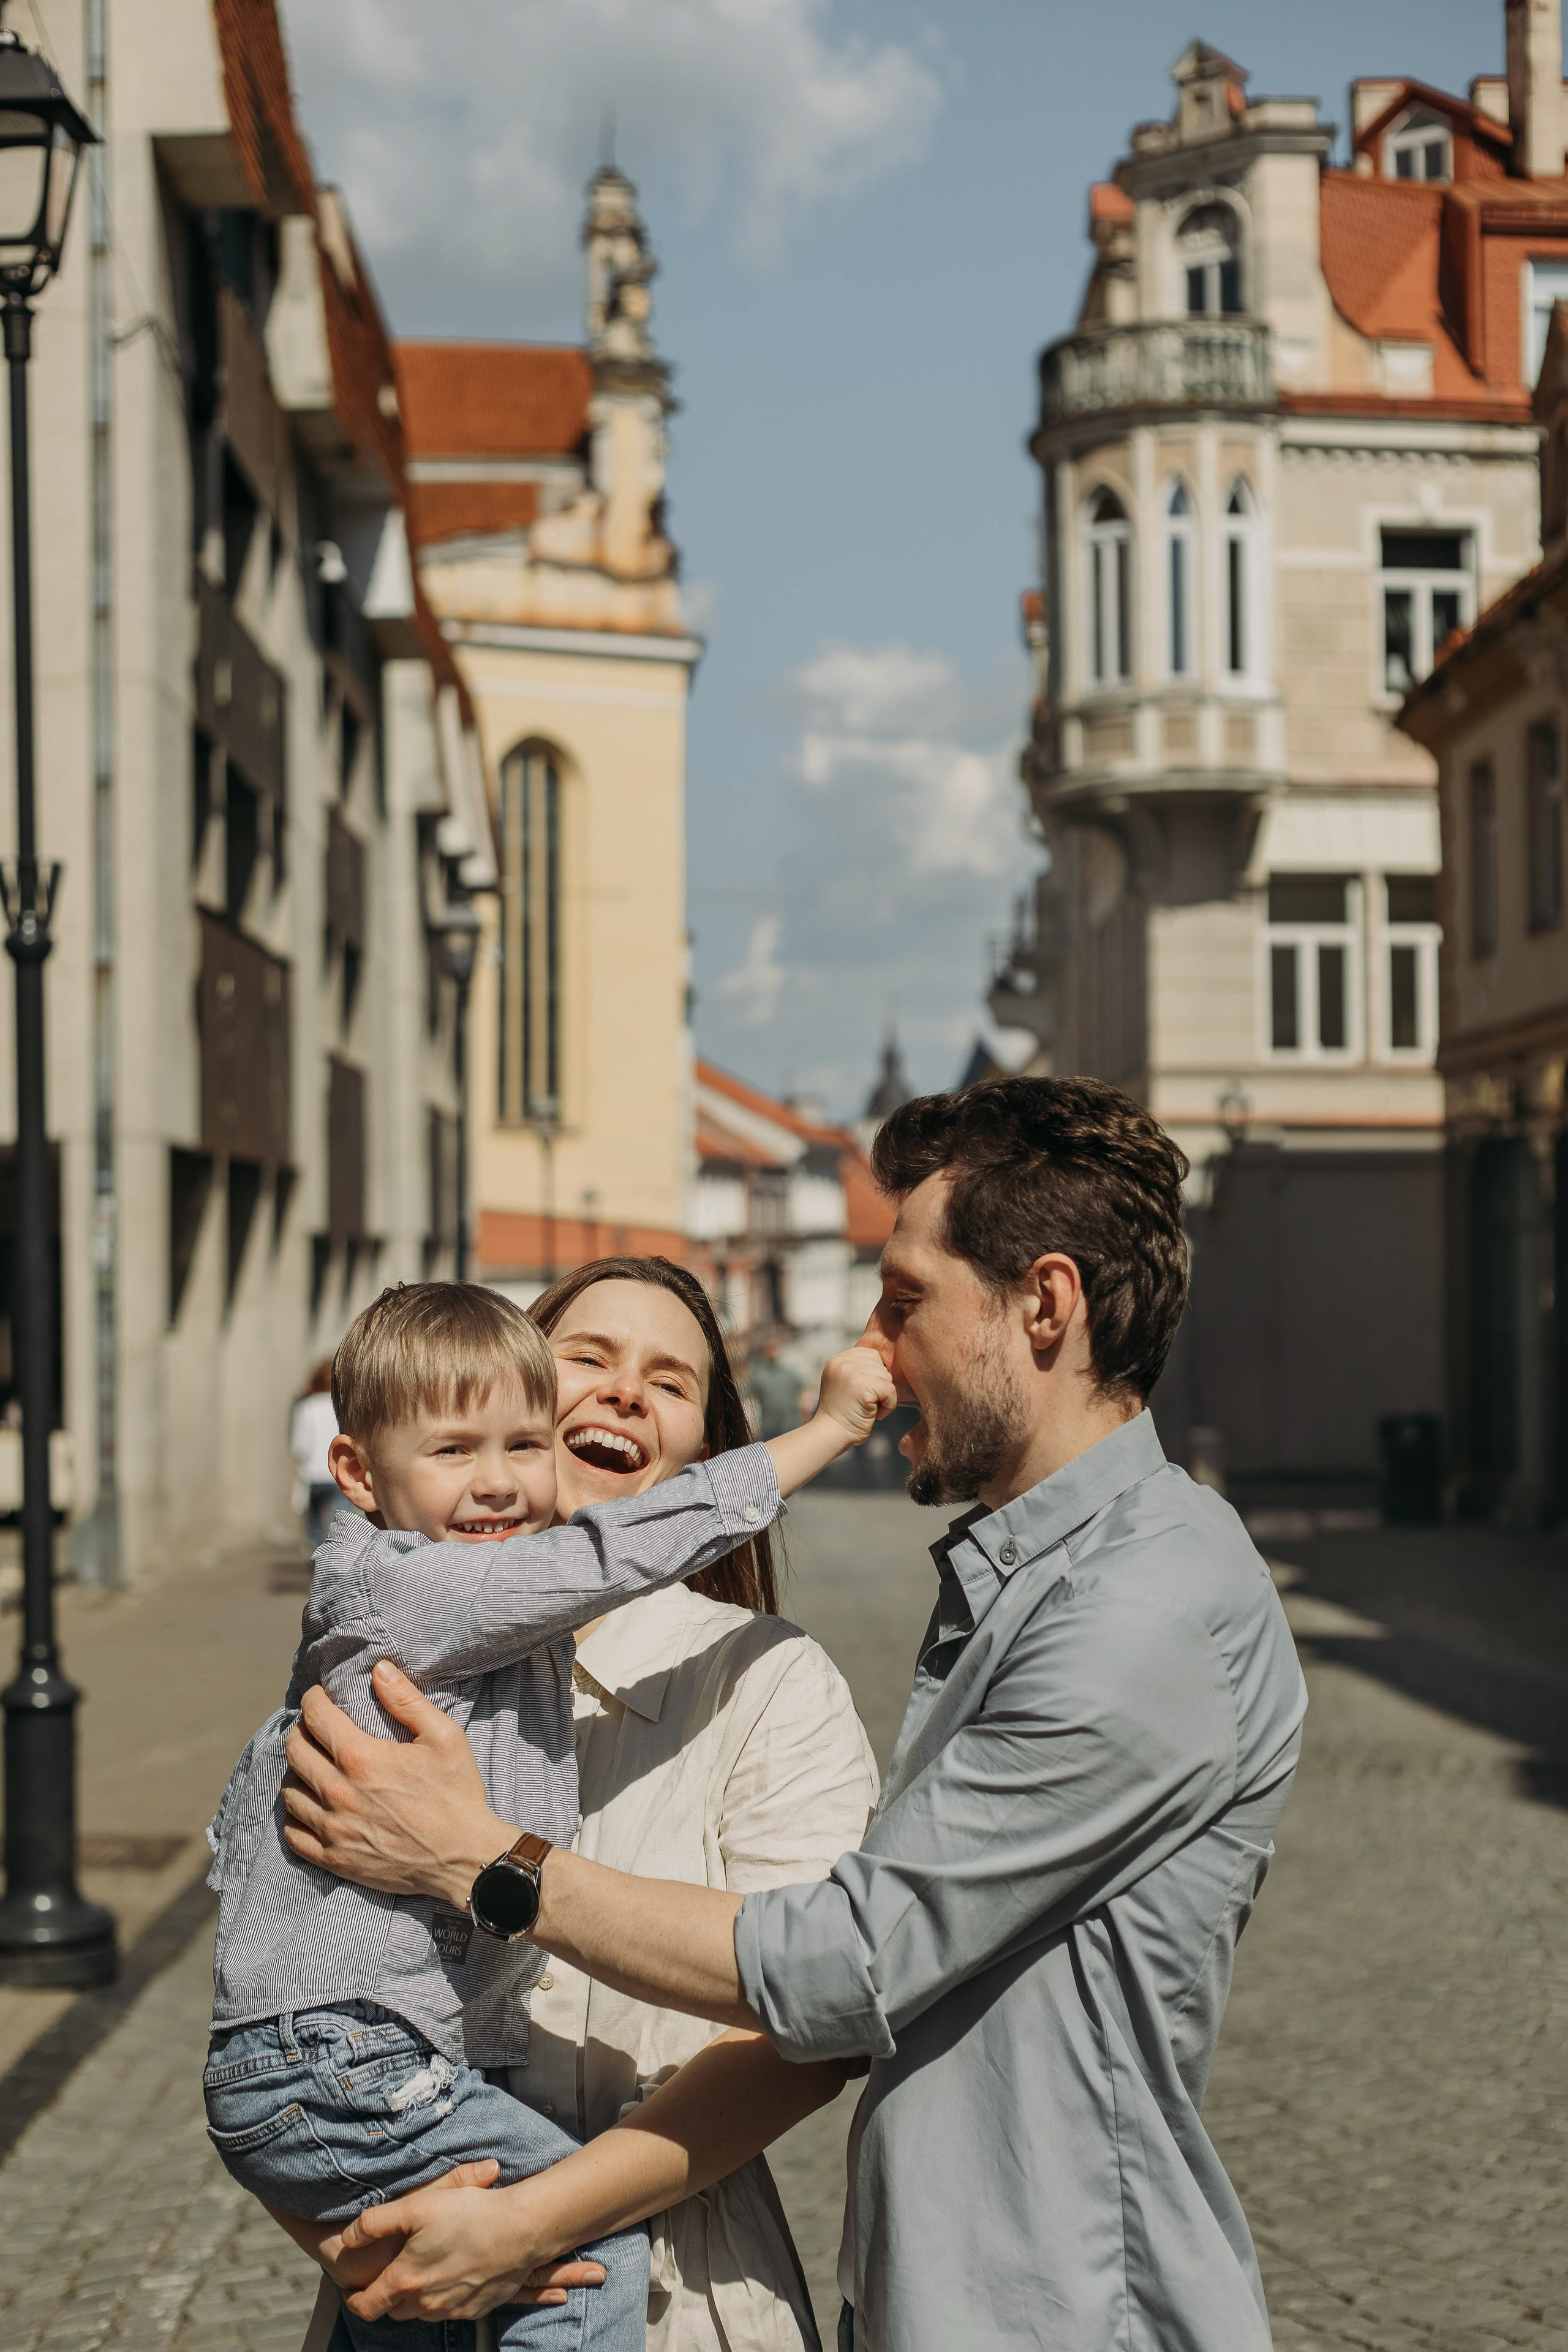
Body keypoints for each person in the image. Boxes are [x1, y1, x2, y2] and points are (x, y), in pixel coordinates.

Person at [279, 1079, 1308, 2350]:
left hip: (1045, 2312)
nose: (866, 1352)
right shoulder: (1027, 1581)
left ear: (1042, 1305)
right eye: (580, 1361)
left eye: (902, 1302)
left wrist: (476, 1864)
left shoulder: (1137, 1607)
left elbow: (848, 1969)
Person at [205, 1279, 893, 2351]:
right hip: (410, 2269)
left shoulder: (768, 1678)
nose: (624, 1393)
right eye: (589, 1358)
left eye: (669, 1382)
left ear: (701, 1459)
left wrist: (529, 2225)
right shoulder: (395, 1655)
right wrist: (345, 2237)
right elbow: (285, 2000)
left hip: (674, 2296)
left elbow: (814, 2026)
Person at [291, 1360, 344, 1550]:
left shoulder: (307, 1407)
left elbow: (299, 1447)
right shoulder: (342, 1406)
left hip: (314, 1475)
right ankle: (338, 1557)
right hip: (340, 1473)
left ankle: (316, 1557)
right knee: (341, 1524)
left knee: (314, 1521)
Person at [742, 1335, 804, 1441]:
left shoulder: (790, 1373)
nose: (773, 1351)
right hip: (769, 1427)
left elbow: (803, 1395)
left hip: (790, 1425)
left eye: (775, 1348)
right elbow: (746, 1396)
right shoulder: (758, 1375)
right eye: (770, 1348)